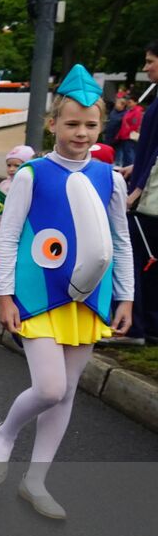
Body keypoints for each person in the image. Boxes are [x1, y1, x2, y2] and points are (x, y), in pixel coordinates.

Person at [0, 65, 133, 519]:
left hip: (90, 298)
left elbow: (120, 240)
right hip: (39, 292)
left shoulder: (112, 178)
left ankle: (36, 481)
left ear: (100, 127)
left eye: (90, 125)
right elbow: (8, 237)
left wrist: (125, 296)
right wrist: (5, 295)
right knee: (49, 387)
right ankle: (6, 433)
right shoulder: (32, 174)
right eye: (72, 124)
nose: (81, 133)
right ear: (53, 124)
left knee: (66, 393)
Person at [120, 41, 158, 344]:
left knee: (139, 263)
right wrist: (135, 167)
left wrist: (138, 191)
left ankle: (134, 328)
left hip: (152, 202)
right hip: (151, 196)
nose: (146, 68)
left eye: (150, 61)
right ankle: (152, 326)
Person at [116, 96, 144, 168]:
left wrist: (126, 133)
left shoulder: (137, 112)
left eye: (130, 102)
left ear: (136, 102)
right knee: (126, 154)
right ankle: (126, 169)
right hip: (125, 136)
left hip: (129, 137)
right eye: (128, 102)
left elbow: (135, 125)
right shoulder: (130, 111)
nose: (129, 104)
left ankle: (130, 170)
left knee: (129, 155)